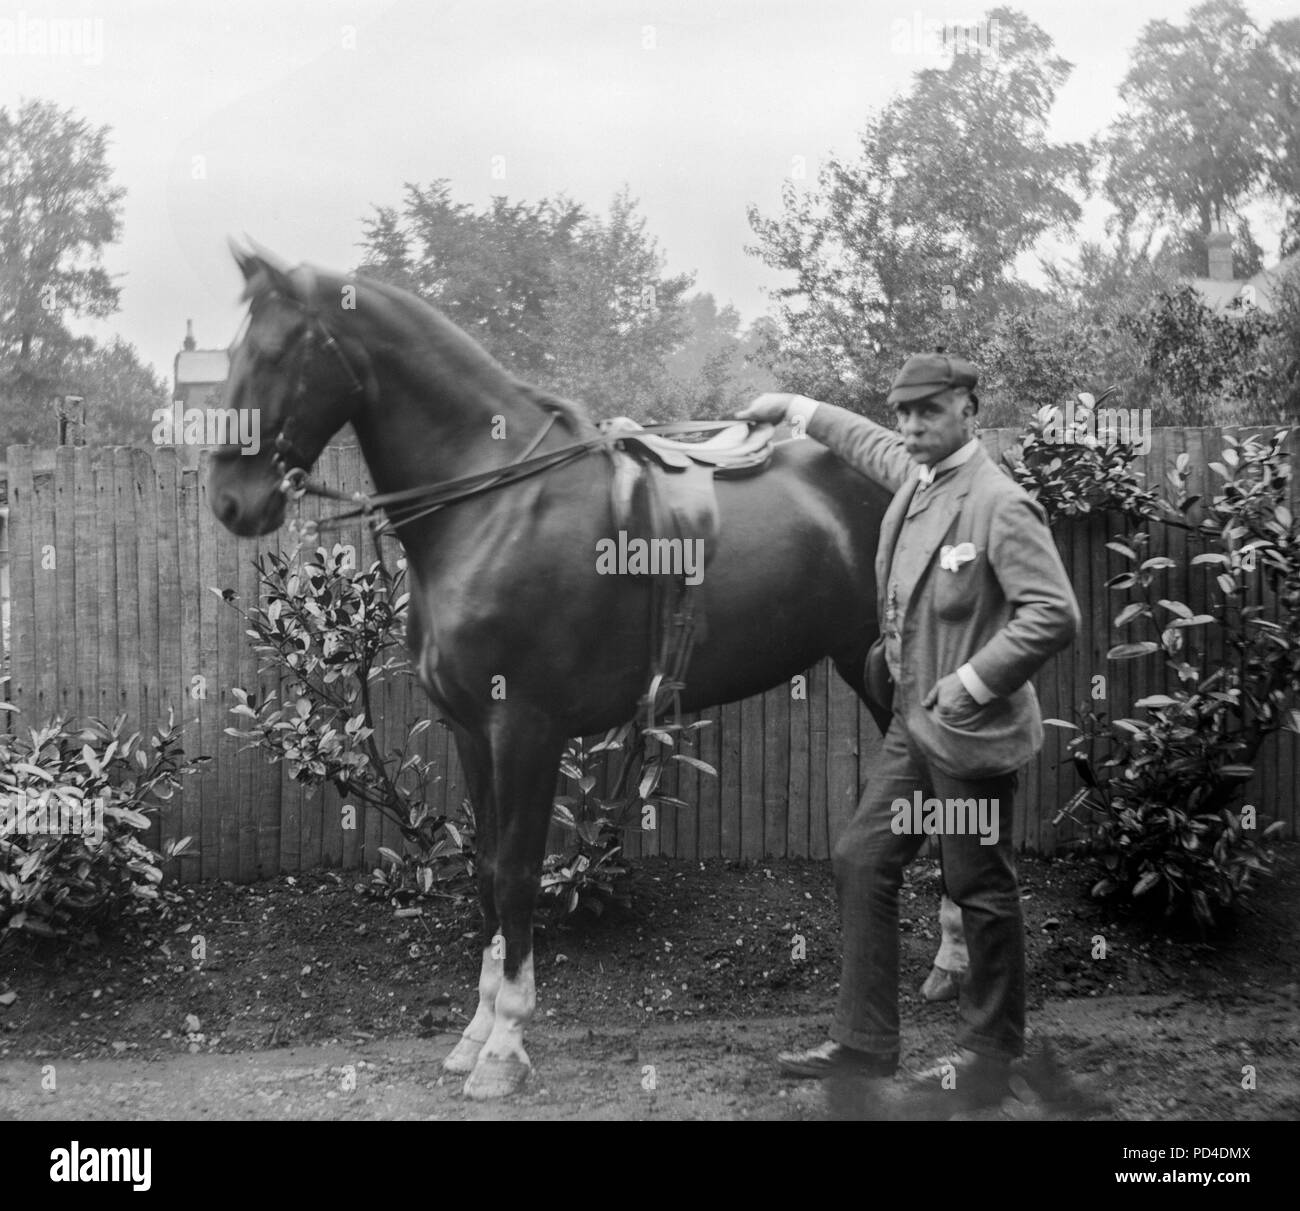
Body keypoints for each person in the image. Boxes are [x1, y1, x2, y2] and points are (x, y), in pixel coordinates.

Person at [737, 352, 1080, 1110]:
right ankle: (863, 1040)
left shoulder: (998, 502)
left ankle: (990, 1056)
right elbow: (859, 439)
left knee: (979, 885)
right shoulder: (916, 474)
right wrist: (789, 403)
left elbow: (1053, 613)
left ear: (969, 410)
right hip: (913, 729)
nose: (913, 426)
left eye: (931, 411)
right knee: (862, 857)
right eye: (905, 412)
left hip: (971, 731)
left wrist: (975, 679)